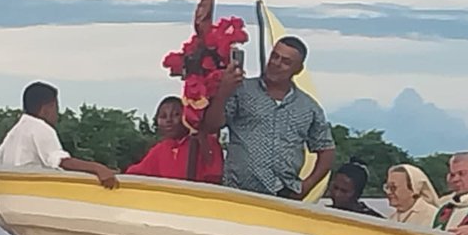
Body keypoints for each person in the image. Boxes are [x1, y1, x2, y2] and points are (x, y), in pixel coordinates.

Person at [203, 37, 335, 199]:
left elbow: (326, 149)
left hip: (284, 194)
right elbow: (211, 126)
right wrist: (223, 91)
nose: (276, 64)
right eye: (274, 56)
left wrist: (306, 186)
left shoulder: (309, 107)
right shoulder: (241, 90)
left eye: (286, 62)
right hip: (239, 191)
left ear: (298, 69)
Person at [0, 81, 118, 188]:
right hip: (33, 190)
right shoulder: (41, 128)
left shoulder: (15, 131)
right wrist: (98, 168)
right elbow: (61, 161)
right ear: (47, 108)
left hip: (16, 190)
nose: (57, 114)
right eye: (56, 108)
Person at [125, 96, 223, 183]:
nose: (169, 120)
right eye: (163, 116)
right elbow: (135, 174)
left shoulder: (205, 141)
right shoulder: (159, 150)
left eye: (176, 114)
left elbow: (214, 176)